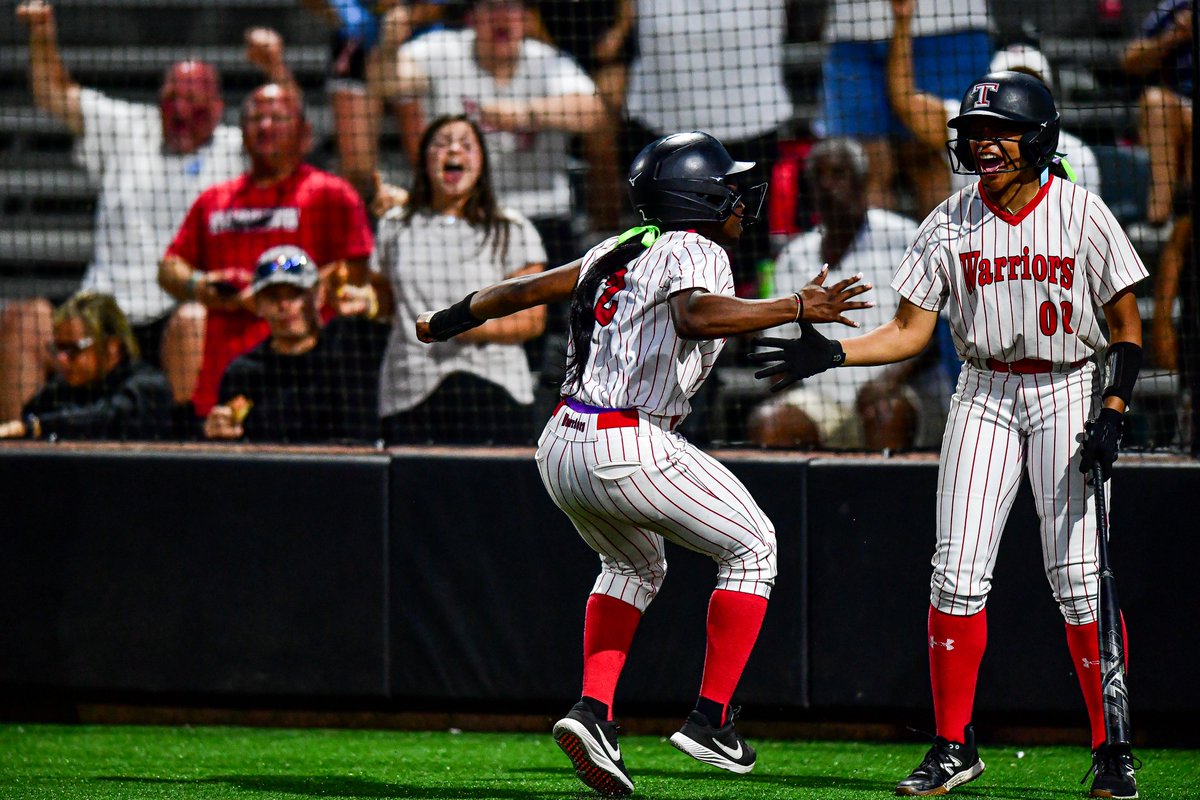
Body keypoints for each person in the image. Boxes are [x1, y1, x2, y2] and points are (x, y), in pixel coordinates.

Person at [414, 131, 871, 796]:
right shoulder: (698, 247)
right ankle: (711, 719)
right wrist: (796, 305)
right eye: (729, 183)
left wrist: (444, 321)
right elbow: (695, 315)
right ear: (700, 192)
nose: (742, 194)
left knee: (633, 564)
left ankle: (593, 711)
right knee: (754, 547)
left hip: (562, 442)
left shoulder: (618, 246)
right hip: (626, 439)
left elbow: (520, 292)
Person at [749, 73, 1147, 798]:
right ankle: (953, 745)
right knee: (956, 573)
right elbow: (909, 331)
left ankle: (1111, 750)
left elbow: (1127, 326)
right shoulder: (948, 221)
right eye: (974, 131)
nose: (982, 143)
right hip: (985, 389)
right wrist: (834, 352)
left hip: (1067, 386)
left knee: (1079, 579)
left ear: (1038, 139)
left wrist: (1114, 408)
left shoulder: (1084, 215)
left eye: (999, 130)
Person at [1, 1, 250, 419]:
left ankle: (182, 455)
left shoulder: (236, 149)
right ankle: (14, 452)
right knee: (22, 320)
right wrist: (42, 33)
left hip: (171, 320)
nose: (180, 109)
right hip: (101, 315)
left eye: (193, 99)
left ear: (219, 108)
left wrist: (277, 68)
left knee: (196, 321)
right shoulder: (129, 128)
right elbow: (53, 94)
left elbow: (290, 135)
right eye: (172, 97)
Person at [158, 82, 375, 423]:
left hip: (310, 381)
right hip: (226, 381)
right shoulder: (214, 200)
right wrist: (202, 286)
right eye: (256, 118)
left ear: (304, 132)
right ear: (242, 133)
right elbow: (169, 267)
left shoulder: (331, 194)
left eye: (278, 117)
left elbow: (359, 274)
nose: (265, 126)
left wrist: (281, 289)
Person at [747, 137, 946, 451]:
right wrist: (780, 391)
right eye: (819, 178)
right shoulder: (793, 257)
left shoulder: (904, 238)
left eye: (839, 174)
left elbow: (932, 335)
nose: (828, 186)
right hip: (822, 397)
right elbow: (777, 342)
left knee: (886, 412)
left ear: (862, 181)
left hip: (898, 388)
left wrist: (886, 382)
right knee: (771, 422)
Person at [375, 115, 547, 444]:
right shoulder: (394, 225)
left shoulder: (511, 228)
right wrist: (361, 301)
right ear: (424, 158)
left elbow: (532, 320)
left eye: (466, 145)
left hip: (495, 386)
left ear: (481, 162)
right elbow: (383, 305)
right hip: (410, 385)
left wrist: (458, 325)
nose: (454, 149)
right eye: (441, 144)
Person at [623, 0, 793, 294]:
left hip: (752, 115)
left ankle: (761, 312)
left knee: (752, 230)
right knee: (671, 236)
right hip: (667, 117)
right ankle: (667, 301)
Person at [886, 0, 1100, 215]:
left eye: (1027, 88)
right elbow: (904, 101)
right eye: (1007, 91)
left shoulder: (1077, 155)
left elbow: (1081, 224)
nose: (1016, 101)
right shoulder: (970, 134)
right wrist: (903, 21)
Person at [203, 246, 387, 444]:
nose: (284, 305)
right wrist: (217, 433)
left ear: (318, 295)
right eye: (273, 296)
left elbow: (390, 316)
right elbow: (230, 443)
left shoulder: (352, 346)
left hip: (354, 470)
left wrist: (371, 304)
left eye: (295, 294)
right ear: (257, 304)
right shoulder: (244, 373)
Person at [0, 292, 172, 441]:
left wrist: (37, 427)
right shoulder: (58, 391)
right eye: (59, 348)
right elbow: (30, 415)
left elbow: (107, 417)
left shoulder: (149, 387)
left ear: (112, 346)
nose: (61, 359)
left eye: (73, 349)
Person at [1121, 0, 1192, 228]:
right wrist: (1176, 35)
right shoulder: (1178, 7)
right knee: (1155, 102)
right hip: (1179, 107)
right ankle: (1159, 212)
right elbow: (1129, 60)